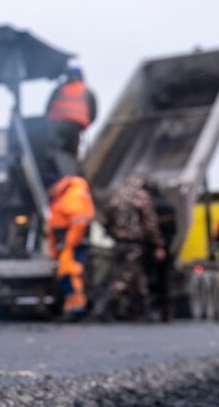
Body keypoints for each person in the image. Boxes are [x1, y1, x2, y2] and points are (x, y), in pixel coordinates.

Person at [97, 174, 164, 321]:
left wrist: (113, 233)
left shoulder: (116, 196)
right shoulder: (141, 197)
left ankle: (139, 311)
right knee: (126, 277)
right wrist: (158, 244)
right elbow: (150, 223)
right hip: (135, 244)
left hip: (119, 243)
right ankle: (105, 307)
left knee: (135, 276)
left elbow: (103, 219)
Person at [44, 173, 95, 319]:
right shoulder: (63, 195)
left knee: (70, 272)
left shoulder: (71, 194)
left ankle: (76, 307)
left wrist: (69, 243)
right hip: (68, 243)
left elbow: (79, 222)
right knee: (66, 273)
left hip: (71, 243)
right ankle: (72, 305)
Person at [46, 64, 98, 173]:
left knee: (56, 152)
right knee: (72, 154)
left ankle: (57, 172)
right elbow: (93, 112)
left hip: (57, 126)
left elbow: (48, 108)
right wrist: (85, 125)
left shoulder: (59, 89)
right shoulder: (87, 91)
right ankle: (73, 173)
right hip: (75, 127)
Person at [142, 180, 178, 322]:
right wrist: (164, 247)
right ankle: (165, 310)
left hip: (150, 248)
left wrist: (157, 247)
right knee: (164, 280)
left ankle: (151, 310)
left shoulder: (148, 207)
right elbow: (172, 230)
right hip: (166, 248)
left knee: (149, 278)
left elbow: (149, 230)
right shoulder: (168, 206)